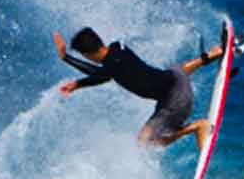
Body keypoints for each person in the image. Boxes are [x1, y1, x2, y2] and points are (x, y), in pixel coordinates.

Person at [54, 27, 225, 149]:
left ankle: (195, 127)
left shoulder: (111, 66)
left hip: (176, 101)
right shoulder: (117, 47)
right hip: (178, 80)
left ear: (88, 55)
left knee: (144, 141)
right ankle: (213, 54)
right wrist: (77, 84)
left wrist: (66, 58)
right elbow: (103, 75)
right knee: (172, 71)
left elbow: (100, 73)